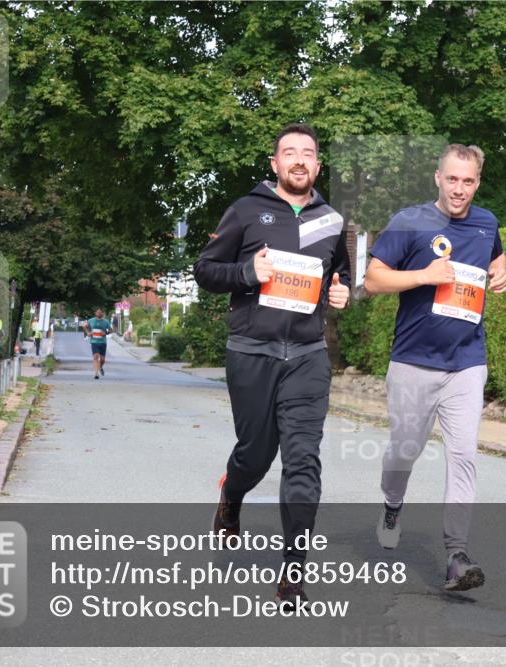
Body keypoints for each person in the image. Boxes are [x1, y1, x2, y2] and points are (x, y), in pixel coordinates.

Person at [194, 122, 351, 609]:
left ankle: (293, 572)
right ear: (275, 164)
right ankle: (231, 496)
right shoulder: (246, 210)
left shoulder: (333, 221)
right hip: (252, 352)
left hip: (307, 356)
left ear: (318, 165)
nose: (299, 160)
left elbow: (340, 277)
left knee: (303, 461)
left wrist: (343, 292)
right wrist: (247, 272)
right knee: (255, 455)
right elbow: (204, 270)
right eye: (290, 153)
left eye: (308, 153)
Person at [363, 144, 506, 592]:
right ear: (437, 178)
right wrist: (425, 275)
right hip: (413, 361)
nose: (459, 189)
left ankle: (457, 556)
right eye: (452, 179)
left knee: (463, 454)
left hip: (467, 361)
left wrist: (501, 275)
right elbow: (372, 279)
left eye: (468, 181)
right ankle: (392, 504)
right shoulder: (411, 222)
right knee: (405, 450)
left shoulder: (486, 223)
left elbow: (496, 260)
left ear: (477, 182)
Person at [82, 308, 112, 379]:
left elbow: (111, 330)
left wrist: (105, 333)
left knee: (102, 360)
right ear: (95, 313)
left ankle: (100, 366)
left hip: (103, 342)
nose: (98, 313)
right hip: (94, 342)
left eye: (100, 312)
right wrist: (88, 333)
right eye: (97, 312)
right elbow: (84, 326)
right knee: (95, 357)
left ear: (102, 313)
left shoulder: (106, 322)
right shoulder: (91, 320)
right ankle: (96, 374)